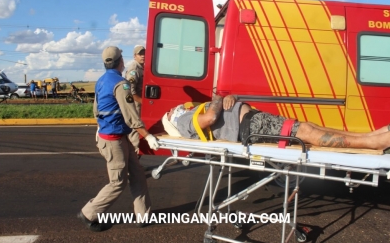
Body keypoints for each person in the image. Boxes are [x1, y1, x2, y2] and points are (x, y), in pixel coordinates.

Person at [78, 46, 159, 232]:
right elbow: (132, 116)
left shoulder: (101, 80)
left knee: (137, 174)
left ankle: (143, 215)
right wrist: (148, 136)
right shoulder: (121, 85)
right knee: (118, 182)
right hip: (114, 140)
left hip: (117, 136)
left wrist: (100, 126)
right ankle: (89, 213)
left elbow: (96, 109)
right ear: (120, 62)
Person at [162, 95, 390, 150]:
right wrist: (220, 98)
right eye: (170, 111)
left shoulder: (185, 115)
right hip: (250, 127)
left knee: (309, 127)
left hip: (252, 123)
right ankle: (373, 142)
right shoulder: (183, 121)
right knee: (308, 132)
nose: (174, 107)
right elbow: (211, 117)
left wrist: (227, 98)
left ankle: (370, 136)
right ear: (171, 118)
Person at [125, 45, 145, 158]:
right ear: (134, 56)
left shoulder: (142, 67)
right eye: (140, 54)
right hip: (135, 106)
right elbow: (130, 93)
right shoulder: (134, 69)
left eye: (144, 53)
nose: (143, 56)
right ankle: (131, 168)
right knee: (135, 136)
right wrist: (143, 102)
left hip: (140, 106)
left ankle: (135, 165)